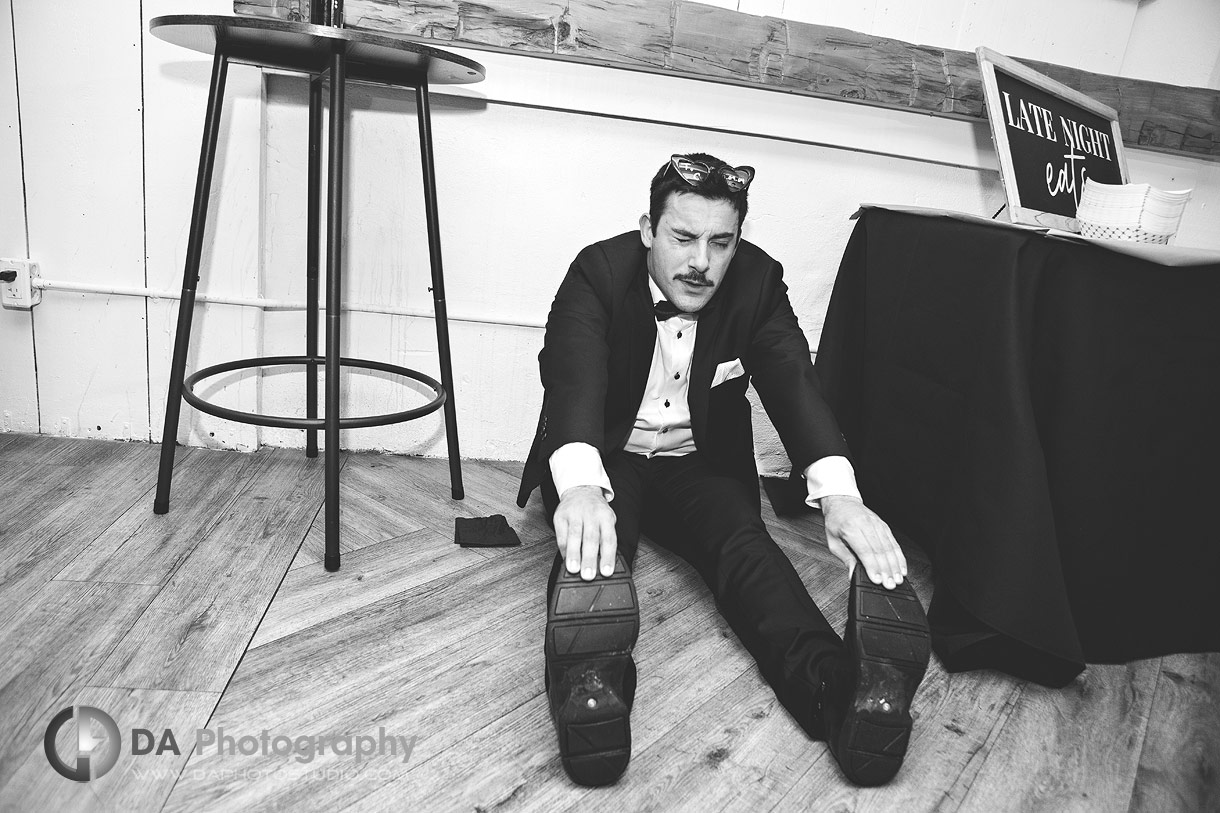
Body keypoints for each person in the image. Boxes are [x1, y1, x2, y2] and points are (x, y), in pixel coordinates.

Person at [517, 152, 931, 788]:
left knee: (746, 549)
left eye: (720, 242)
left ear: (738, 240)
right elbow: (572, 374)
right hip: (608, 456)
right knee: (596, 547)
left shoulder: (758, 282)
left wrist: (841, 497)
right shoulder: (598, 270)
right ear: (647, 230)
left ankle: (838, 695)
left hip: (696, 463)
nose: (701, 262)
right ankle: (590, 687)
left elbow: (794, 385)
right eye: (683, 238)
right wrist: (577, 487)